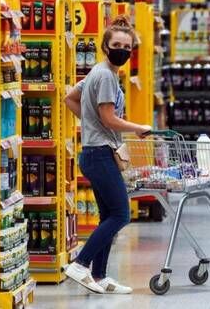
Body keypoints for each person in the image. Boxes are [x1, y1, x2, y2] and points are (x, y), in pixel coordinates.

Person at [63, 16, 152, 294]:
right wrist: (138, 128)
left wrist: (90, 123)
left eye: (127, 47)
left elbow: (69, 98)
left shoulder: (99, 72)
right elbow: (109, 118)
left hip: (95, 152)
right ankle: (80, 264)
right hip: (100, 154)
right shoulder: (105, 76)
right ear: (105, 46)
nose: (122, 50)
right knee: (121, 214)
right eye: (117, 45)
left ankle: (99, 276)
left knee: (108, 216)